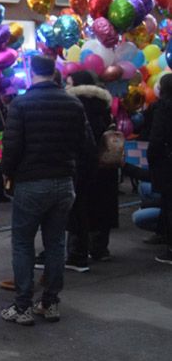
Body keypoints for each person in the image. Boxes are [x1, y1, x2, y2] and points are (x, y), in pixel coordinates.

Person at [0, 55, 93, 325]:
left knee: (23, 243)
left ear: (31, 72)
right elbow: (86, 145)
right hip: (64, 182)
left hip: (30, 182)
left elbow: (11, 147)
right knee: (55, 244)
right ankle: (50, 303)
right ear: (54, 72)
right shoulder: (73, 103)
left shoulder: (21, 104)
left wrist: (8, 173)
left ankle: (23, 306)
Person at [64, 71, 117, 269]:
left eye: (68, 82)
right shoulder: (104, 105)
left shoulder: (74, 106)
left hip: (82, 165)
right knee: (102, 206)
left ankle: (77, 253)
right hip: (105, 164)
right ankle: (100, 249)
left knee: (80, 209)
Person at [147, 73, 172, 265]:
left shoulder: (162, 108)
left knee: (168, 200)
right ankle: (163, 233)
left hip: (166, 160)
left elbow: (156, 138)